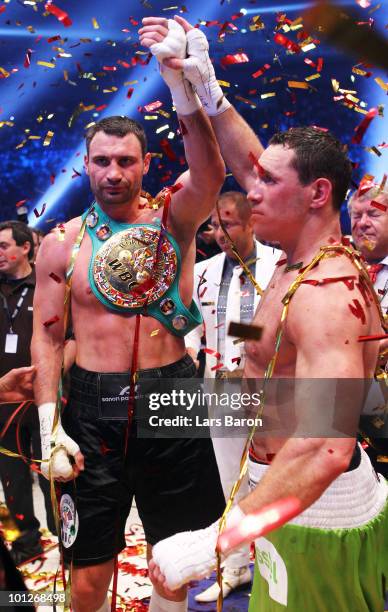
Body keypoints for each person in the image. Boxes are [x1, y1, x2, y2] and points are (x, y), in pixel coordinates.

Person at [140, 17, 388, 611]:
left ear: (317, 195)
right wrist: (201, 85)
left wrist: (217, 539)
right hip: (279, 489)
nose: (250, 191)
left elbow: (326, 446)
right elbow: (252, 164)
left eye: (269, 183)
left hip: (319, 505)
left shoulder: (328, 294)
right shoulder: (300, 252)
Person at [31, 36, 226, 611]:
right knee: (87, 561)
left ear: (144, 164)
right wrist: (49, 421)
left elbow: (211, 171)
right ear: (85, 165)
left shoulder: (175, 219)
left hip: (173, 393)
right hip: (92, 406)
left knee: (187, 556)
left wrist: (180, 86)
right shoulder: (61, 245)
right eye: (101, 161)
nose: (113, 172)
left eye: (125, 161)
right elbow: (47, 335)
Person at [185, 191, 280, 602]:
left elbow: (281, 326)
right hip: (220, 390)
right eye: (214, 225)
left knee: (276, 479)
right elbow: (192, 321)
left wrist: (244, 346)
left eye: (229, 224)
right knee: (230, 483)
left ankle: (282, 566)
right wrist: (192, 346)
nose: (219, 233)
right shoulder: (203, 270)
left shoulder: (280, 266)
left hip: (274, 392)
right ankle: (237, 566)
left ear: (251, 222)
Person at [0, 221, 56, 565]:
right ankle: (26, 539)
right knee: (11, 471)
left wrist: (54, 377)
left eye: (4, 246)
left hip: (45, 396)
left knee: (51, 468)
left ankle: (64, 533)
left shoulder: (47, 285)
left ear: (25, 248)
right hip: (5, 397)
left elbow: (71, 337)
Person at [349, 183, 388, 478]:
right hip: (343, 415)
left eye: (373, 214)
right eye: (355, 215)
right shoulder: (335, 265)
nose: (362, 223)